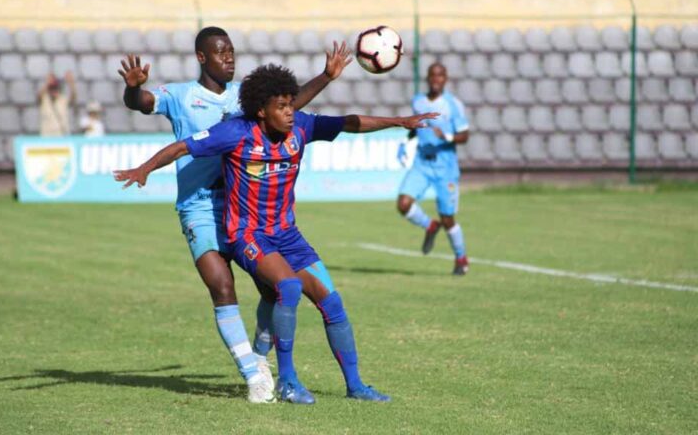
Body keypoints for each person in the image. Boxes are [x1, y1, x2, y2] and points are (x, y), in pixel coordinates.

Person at [114, 64, 437, 403]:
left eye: (291, 104)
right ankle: (287, 380)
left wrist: (399, 122)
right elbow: (182, 147)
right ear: (260, 111)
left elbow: (349, 123)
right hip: (247, 235)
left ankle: (355, 385)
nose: (290, 112)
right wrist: (144, 169)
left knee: (333, 302)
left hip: (287, 234)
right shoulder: (236, 132)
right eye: (282, 107)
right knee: (288, 286)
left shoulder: (302, 127)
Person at [117, 28, 351, 403]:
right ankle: (254, 376)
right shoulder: (179, 95)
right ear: (201, 57)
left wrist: (325, 77)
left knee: (275, 290)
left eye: (232, 51)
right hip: (199, 207)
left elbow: (289, 106)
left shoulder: (246, 96)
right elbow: (141, 102)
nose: (229, 57)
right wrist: (132, 89)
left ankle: (259, 351)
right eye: (221, 51)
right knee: (222, 287)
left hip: (243, 209)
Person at [396, 63, 471, 275]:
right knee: (403, 203)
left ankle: (461, 258)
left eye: (441, 76)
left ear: (445, 79)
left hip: (445, 168)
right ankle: (429, 226)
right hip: (422, 163)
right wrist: (405, 141)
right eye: (433, 75)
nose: (437, 79)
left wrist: (447, 137)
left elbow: (464, 135)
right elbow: (415, 128)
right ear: (428, 78)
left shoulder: (453, 104)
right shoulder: (418, 102)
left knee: (448, 218)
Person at [38, 72, 76, 136]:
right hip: (47, 135)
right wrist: (47, 83)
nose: (54, 91)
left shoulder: (63, 99)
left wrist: (71, 83)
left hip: (61, 134)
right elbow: (39, 95)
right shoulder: (44, 100)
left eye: (55, 88)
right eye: (52, 89)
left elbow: (73, 97)